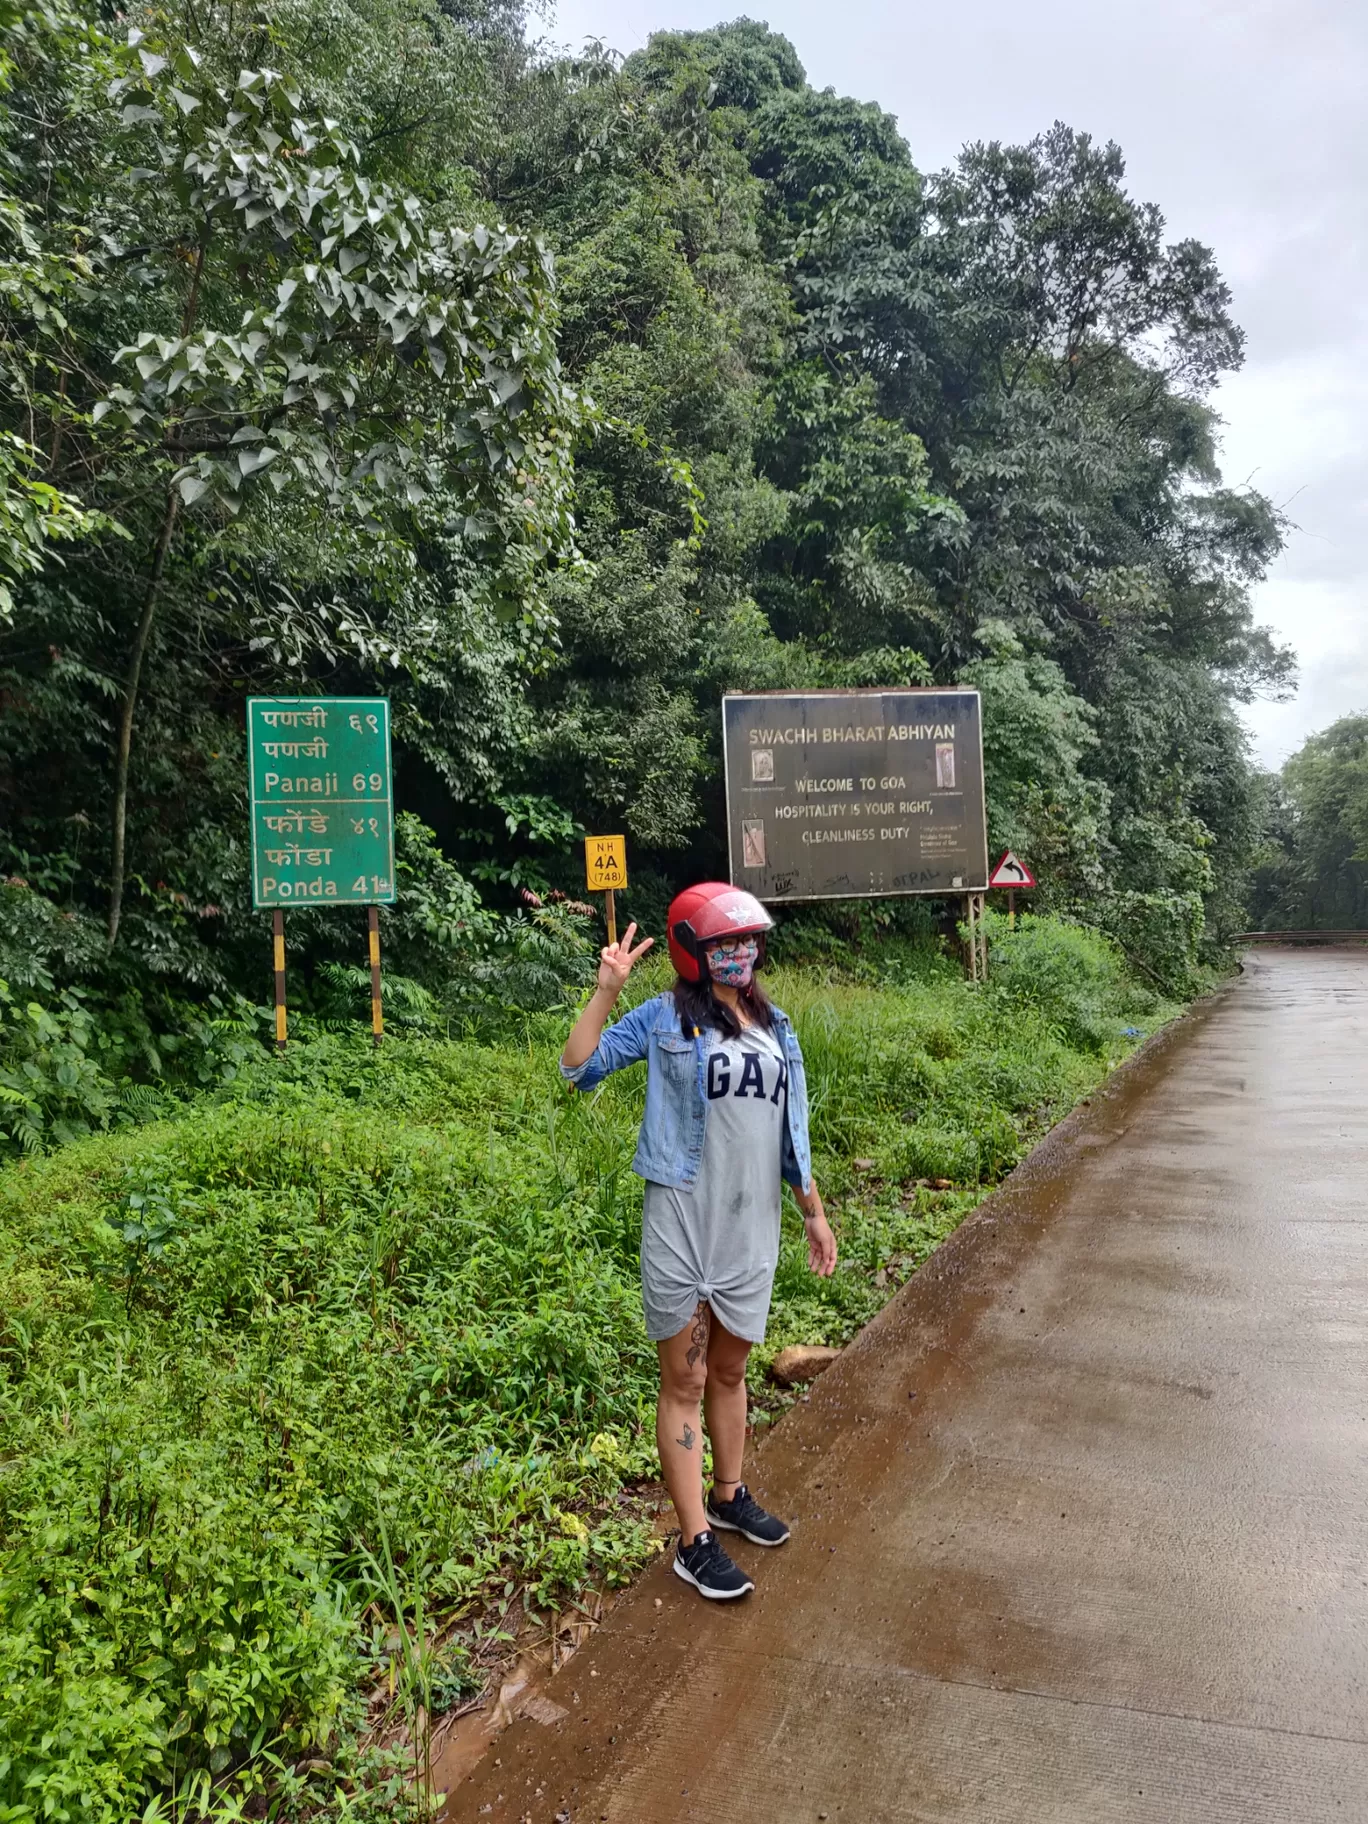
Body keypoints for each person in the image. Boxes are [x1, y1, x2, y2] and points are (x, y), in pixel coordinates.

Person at [560, 882, 837, 1601]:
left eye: (746, 940)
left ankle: (730, 1493)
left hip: (752, 1229)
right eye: (721, 943)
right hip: (682, 1224)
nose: (738, 954)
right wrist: (605, 992)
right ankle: (694, 1540)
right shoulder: (661, 1020)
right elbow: (577, 1069)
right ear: (692, 950)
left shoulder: (780, 1031)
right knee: (683, 1379)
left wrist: (813, 1211)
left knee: (731, 1372)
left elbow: (792, 1134)